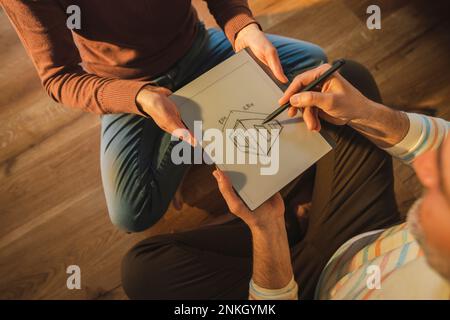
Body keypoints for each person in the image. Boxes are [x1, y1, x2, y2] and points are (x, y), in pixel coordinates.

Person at [121, 61, 450, 299]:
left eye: (441, 193)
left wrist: (268, 231)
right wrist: (365, 112)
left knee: (144, 273)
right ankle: (296, 212)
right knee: (346, 79)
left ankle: (286, 218)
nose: (425, 173)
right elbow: (441, 150)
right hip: (368, 234)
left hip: (308, 292)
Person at [0, 0, 326, 232]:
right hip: (128, 85)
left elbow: (228, 6)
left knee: (315, 66)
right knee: (132, 213)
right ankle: (207, 109)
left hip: (198, 47)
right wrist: (138, 98)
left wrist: (242, 28)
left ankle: (199, 115)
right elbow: (59, 78)